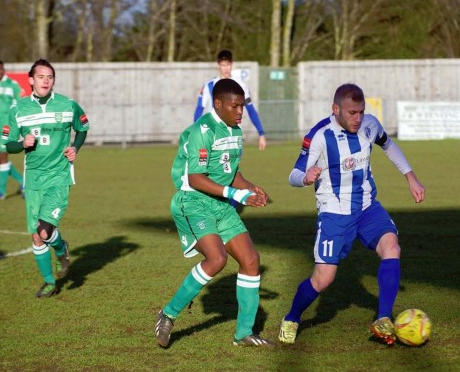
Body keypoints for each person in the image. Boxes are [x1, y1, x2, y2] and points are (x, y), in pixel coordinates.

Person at [278, 83, 425, 345]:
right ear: (336, 109)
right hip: (335, 214)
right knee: (323, 279)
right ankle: (291, 318)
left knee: (391, 246)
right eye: (351, 113)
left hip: (368, 206)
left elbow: (388, 145)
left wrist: (411, 177)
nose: (358, 119)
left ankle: (383, 319)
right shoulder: (320, 136)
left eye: (361, 112)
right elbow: (292, 175)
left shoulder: (369, 125)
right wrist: (306, 177)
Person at [155, 78, 274, 348]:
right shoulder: (202, 130)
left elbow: (231, 174)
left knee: (251, 260)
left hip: (220, 205)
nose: (240, 112)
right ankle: (168, 314)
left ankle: (243, 334)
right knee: (217, 258)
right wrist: (236, 194)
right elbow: (196, 178)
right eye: (235, 106)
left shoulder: (234, 131)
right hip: (193, 201)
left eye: (242, 106)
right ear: (218, 104)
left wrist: (252, 188)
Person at [4, 59, 90, 298]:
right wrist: (23, 143)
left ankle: (61, 251)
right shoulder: (18, 109)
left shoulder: (68, 105)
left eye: (50, 77)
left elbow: (83, 127)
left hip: (59, 175)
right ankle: (49, 282)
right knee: (36, 235)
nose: (46, 81)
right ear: (30, 80)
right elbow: (9, 145)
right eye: (41, 77)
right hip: (33, 179)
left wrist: (75, 147)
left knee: (44, 230)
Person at [193, 50, 267, 151]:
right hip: (214, 135)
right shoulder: (209, 85)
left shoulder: (241, 85)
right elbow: (199, 109)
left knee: (233, 166)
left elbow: (251, 110)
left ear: (232, 64)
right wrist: (196, 132)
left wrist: (261, 134)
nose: (226, 68)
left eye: (228, 64)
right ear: (218, 65)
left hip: (234, 137)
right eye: (223, 65)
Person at [0, 60, 24, 200]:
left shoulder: (12, 85)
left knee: (3, 158)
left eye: (0, 69)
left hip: (8, 127)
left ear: (3, 69)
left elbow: (21, 105)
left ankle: (1, 193)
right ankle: (23, 182)